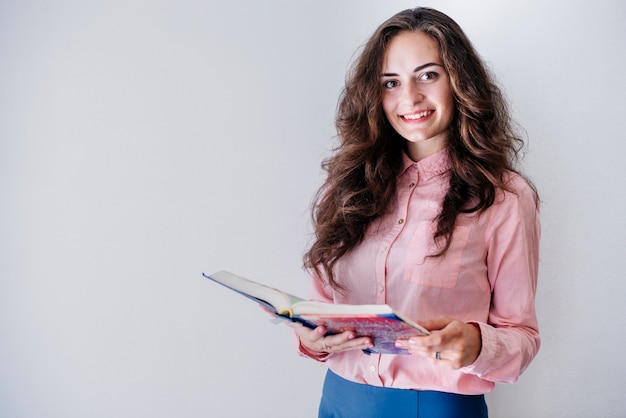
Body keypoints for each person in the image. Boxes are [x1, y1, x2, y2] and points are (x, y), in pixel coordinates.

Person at [293, 7, 541, 418]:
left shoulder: (504, 197)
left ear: (459, 81)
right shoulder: (345, 188)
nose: (409, 98)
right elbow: (320, 304)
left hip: (433, 406)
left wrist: (477, 344)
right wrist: (312, 339)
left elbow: (523, 335)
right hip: (338, 398)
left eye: (428, 75)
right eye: (391, 82)